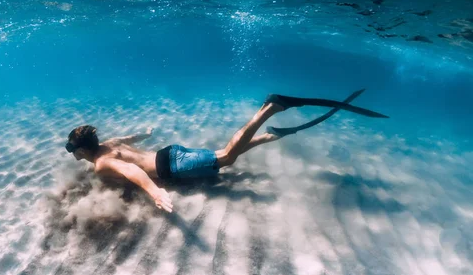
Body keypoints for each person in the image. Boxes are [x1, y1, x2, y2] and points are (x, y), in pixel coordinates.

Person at [65, 92, 388, 213]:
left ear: (82, 150)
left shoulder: (101, 163)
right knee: (226, 152)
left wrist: (155, 192)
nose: (74, 155)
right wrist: (146, 134)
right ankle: (265, 137)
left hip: (171, 168)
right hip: (169, 151)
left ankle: (270, 110)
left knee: (227, 157)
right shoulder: (108, 145)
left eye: (73, 151)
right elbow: (130, 138)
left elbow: (132, 173)